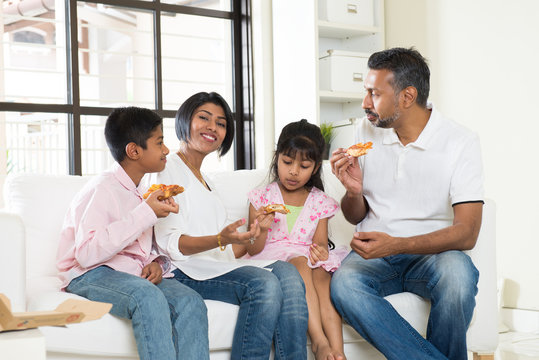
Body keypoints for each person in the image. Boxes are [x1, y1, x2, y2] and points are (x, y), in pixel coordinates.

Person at [329, 47, 484, 360]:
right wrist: (353, 191)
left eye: (374, 93)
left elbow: (467, 233)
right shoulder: (365, 131)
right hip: (374, 256)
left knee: (458, 277)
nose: (365, 104)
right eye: (365, 92)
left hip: (434, 255)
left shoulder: (460, 141)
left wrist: (397, 245)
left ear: (407, 96)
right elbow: (354, 215)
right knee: (344, 285)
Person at [147, 92, 309, 360]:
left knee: (287, 271)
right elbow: (171, 245)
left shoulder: (208, 183)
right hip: (184, 270)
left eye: (221, 123)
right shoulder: (167, 169)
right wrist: (221, 239)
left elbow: (228, 253)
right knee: (263, 284)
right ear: (185, 120)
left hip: (214, 266)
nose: (213, 127)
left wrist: (252, 234)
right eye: (204, 118)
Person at [56, 107, 210, 360]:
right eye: (159, 142)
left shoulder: (143, 191)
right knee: (147, 296)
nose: (166, 150)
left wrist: (157, 263)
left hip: (129, 273)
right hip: (90, 274)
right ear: (134, 151)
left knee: (190, 301)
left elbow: (140, 249)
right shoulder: (103, 188)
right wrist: (145, 213)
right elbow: (86, 254)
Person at [240, 119, 349, 360]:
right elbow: (254, 248)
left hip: (307, 257)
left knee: (323, 279)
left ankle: (338, 351)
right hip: (274, 258)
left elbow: (320, 243)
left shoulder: (319, 201)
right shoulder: (261, 198)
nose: (293, 171)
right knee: (300, 263)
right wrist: (262, 229)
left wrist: (321, 251)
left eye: (304, 165)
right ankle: (320, 342)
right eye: (287, 162)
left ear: (315, 168)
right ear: (276, 158)